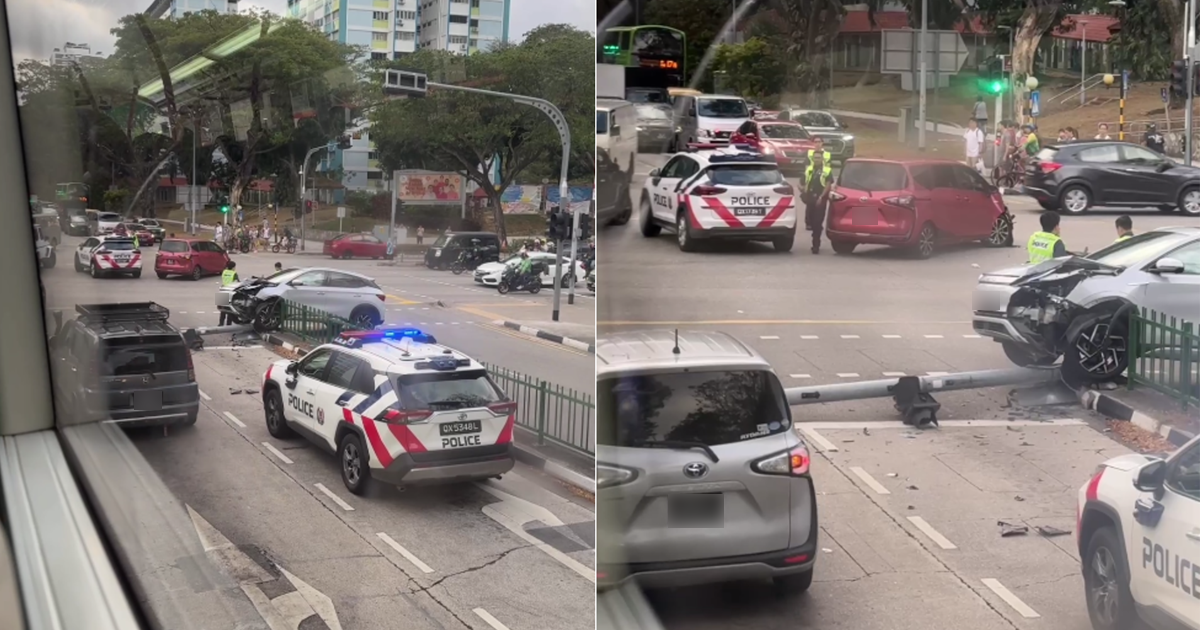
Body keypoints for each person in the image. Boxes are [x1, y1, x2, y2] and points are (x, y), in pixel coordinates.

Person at [804, 138, 834, 254]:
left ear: (822, 159)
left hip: (820, 198)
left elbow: (828, 184)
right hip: (810, 198)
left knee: (817, 222)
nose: (817, 160)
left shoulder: (827, 170)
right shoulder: (809, 169)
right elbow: (802, 181)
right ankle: (814, 228)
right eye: (815, 158)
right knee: (811, 221)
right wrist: (802, 188)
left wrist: (821, 196)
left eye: (819, 158)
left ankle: (816, 244)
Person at [219, 261, 240, 325]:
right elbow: (237, 283)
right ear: (233, 267)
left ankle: (221, 323)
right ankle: (228, 324)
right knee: (230, 309)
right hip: (230, 291)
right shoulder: (234, 274)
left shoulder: (224, 272)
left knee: (222, 309)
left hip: (223, 290)